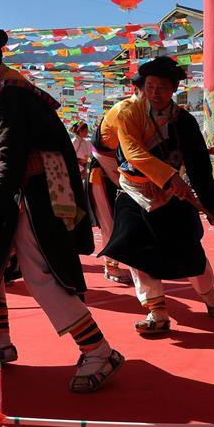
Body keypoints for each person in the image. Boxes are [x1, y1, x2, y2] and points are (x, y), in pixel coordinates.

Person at [0, 26, 123, 394]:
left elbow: (11, 163)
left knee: (41, 272)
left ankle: (98, 350)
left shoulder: (10, 95)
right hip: (19, 193)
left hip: (39, 193)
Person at [100, 57, 214, 336]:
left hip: (173, 195)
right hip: (134, 192)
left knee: (189, 251)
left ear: (173, 89)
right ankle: (156, 310)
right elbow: (134, 153)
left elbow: (198, 166)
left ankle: (210, 297)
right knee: (136, 251)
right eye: (149, 86)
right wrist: (169, 176)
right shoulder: (128, 113)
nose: (154, 93)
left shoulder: (184, 121)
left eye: (162, 87)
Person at [88, 90, 139, 285]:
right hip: (102, 175)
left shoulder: (143, 112)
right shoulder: (124, 112)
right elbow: (134, 152)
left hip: (120, 174)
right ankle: (111, 266)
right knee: (111, 222)